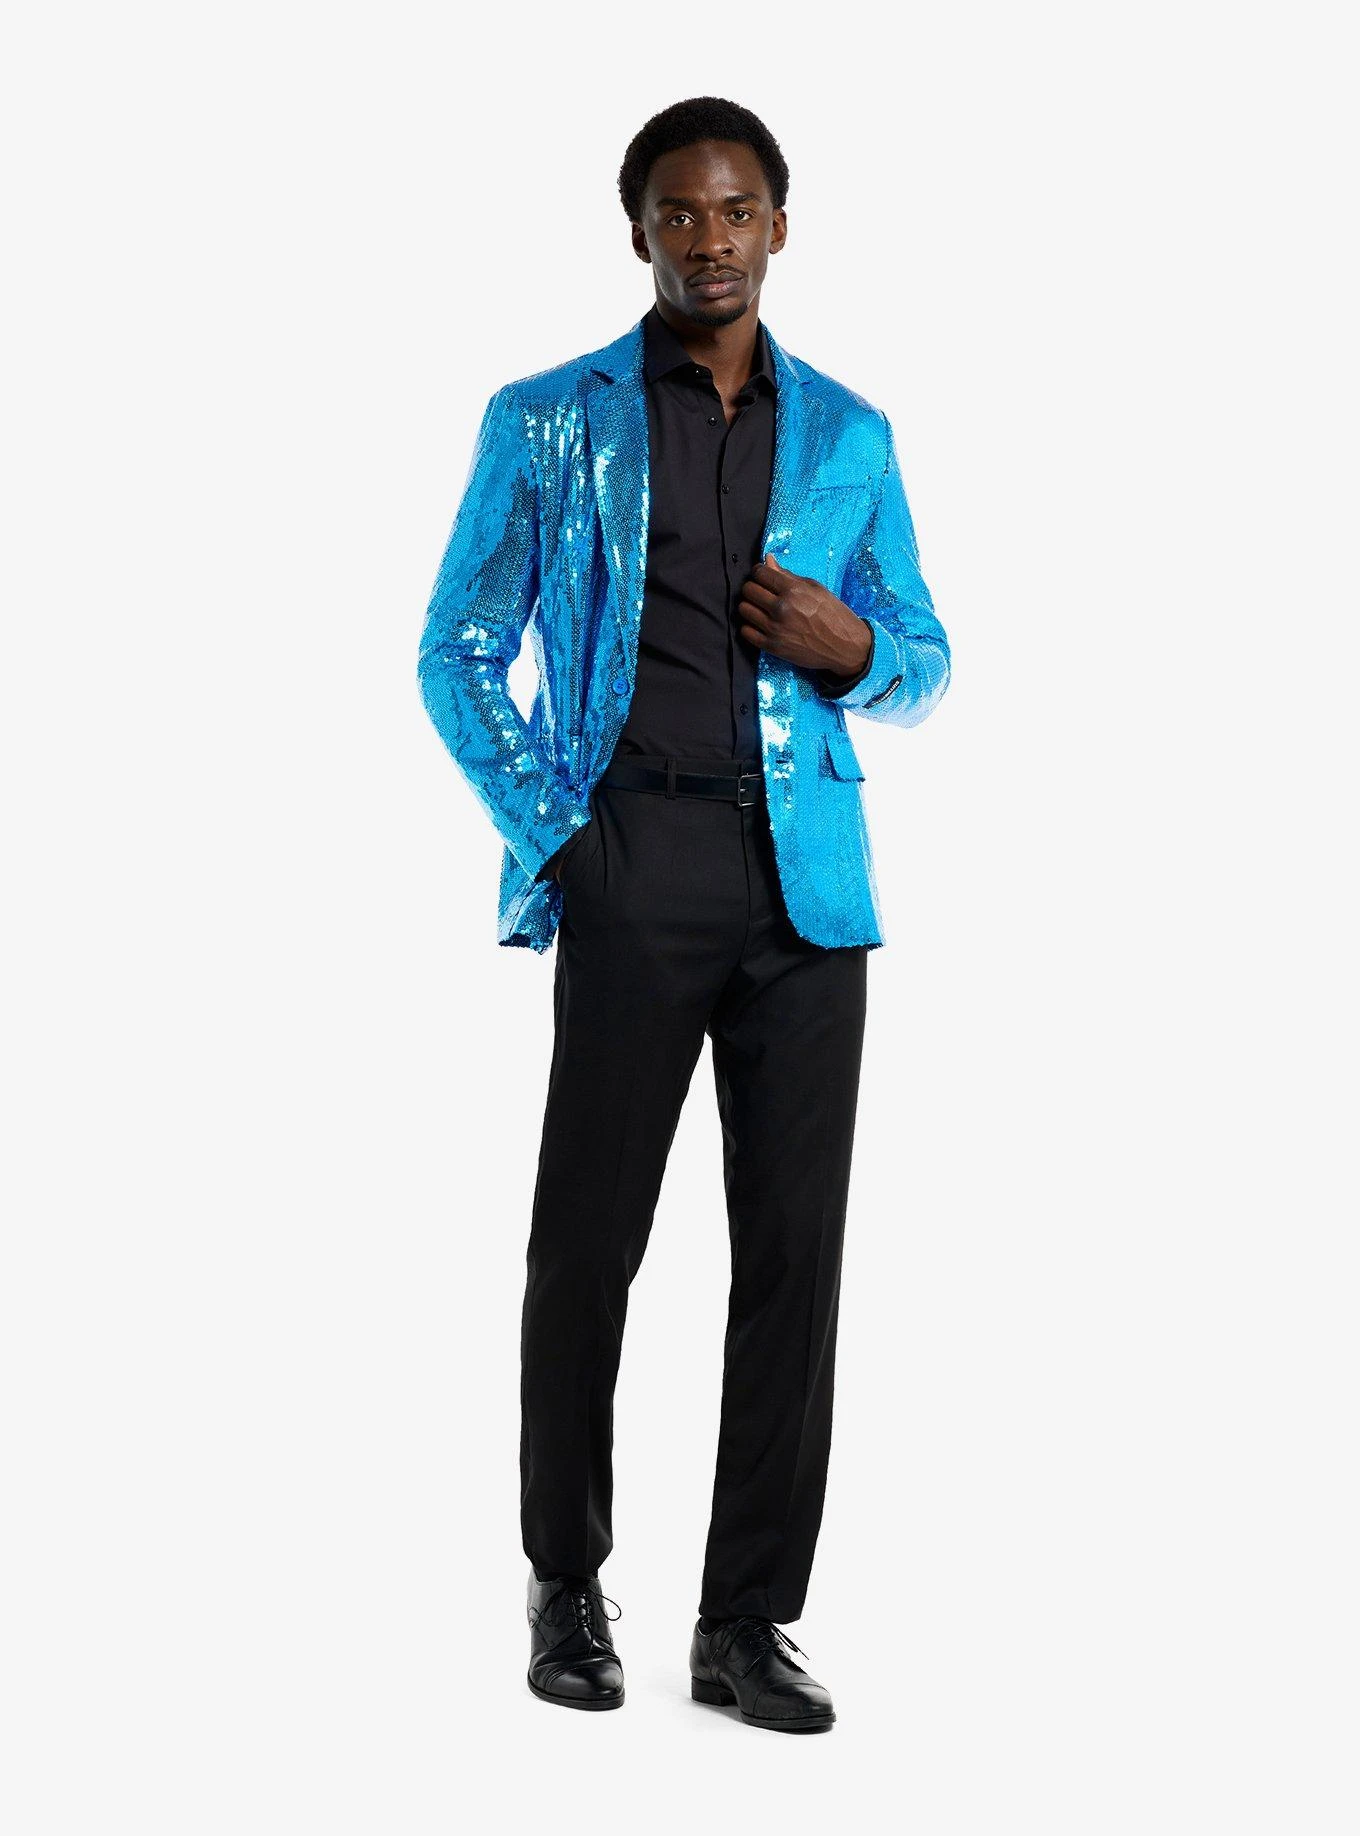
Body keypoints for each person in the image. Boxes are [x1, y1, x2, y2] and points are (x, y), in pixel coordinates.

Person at [417, 95, 951, 1733]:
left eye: (734, 210)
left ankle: (746, 1622)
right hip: (632, 860)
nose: (708, 238)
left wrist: (856, 652)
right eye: (678, 211)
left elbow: (925, 659)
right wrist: (563, 835)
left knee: (795, 1260)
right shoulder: (546, 418)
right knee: (589, 1245)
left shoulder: (852, 433)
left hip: (808, 896)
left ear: (779, 226)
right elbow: (456, 649)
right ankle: (565, 1584)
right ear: (638, 230)